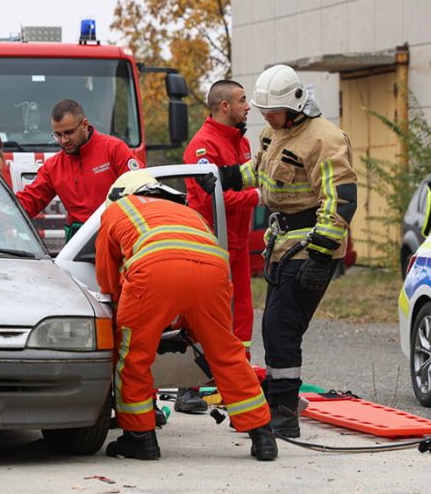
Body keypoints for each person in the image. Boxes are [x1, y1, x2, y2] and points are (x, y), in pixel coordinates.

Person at [96, 170, 278, 461]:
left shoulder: (118, 209)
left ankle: (140, 438)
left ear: (120, 194)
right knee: (226, 352)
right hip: (214, 272)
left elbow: (107, 278)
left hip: (154, 270)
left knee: (133, 357)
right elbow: (188, 277)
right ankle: (262, 434)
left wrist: (127, 316)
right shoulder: (187, 212)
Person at [218, 64, 357, 438]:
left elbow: (340, 199)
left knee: (281, 329)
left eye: (272, 110)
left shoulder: (325, 139)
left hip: (310, 245)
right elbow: (261, 171)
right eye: (262, 109)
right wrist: (227, 175)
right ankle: (281, 405)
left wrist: (321, 254)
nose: (265, 116)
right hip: (281, 245)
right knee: (276, 328)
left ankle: (283, 415)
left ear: (295, 105)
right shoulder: (272, 132)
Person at [178, 79, 257, 415]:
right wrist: (258, 196)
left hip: (237, 245)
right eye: (242, 100)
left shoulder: (242, 143)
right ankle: (188, 387)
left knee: (241, 317)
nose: (248, 106)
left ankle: (237, 384)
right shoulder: (202, 147)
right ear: (224, 106)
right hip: (210, 244)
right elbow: (213, 201)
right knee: (200, 314)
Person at [16, 99, 142, 242]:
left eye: (68, 133)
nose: (63, 140)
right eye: (57, 135)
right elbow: (27, 202)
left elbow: (142, 188)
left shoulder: (114, 149)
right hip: (78, 243)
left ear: (85, 125)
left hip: (115, 236)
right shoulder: (53, 167)